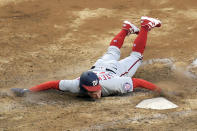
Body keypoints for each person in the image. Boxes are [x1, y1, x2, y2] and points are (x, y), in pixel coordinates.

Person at [11, 16, 162, 99]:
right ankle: (126, 29)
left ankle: (145, 26)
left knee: (136, 56)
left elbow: (138, 82)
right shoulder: (75, 85)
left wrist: (160, 90)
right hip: (100, 65)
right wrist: (28, 91)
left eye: (96, 90)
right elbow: (53, 84)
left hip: (115, 71)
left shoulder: (113, 84)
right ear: (83, 87)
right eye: (92, 91)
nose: (96, 94)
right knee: (113, 51)